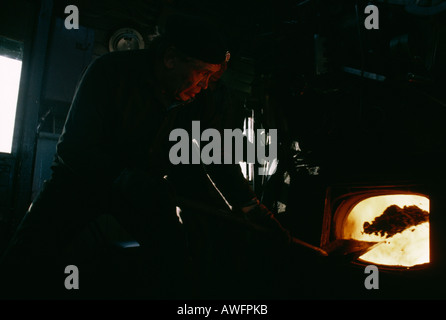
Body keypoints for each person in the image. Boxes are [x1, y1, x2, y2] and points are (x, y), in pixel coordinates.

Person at [0, 13, 317, 299]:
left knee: (174, 262)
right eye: (202, 73)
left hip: (146, 187)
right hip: (80, 179)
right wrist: (123, 177)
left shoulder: (199, 99)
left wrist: (254, 210)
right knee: (26, 257)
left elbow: (219, 158)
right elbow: (74, 148)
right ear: (170, 58)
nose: (205, 86)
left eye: (212, 78)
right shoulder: (109, 72)